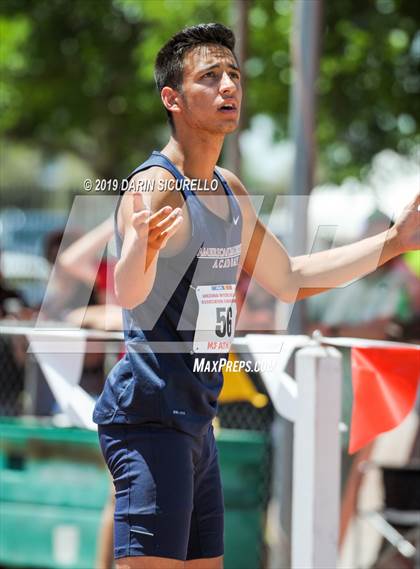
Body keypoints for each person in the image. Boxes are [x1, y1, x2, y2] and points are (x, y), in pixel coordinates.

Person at [92, 23, 419, 569]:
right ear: (171, 98)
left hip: (197, 419)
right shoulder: (154, 186)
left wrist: (393, 243)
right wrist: (138, 252)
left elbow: (290, 277)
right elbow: (131, 292)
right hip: (150, 419)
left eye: (233, 75)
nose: (229, 87)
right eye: (210, 76)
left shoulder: (229, 189)